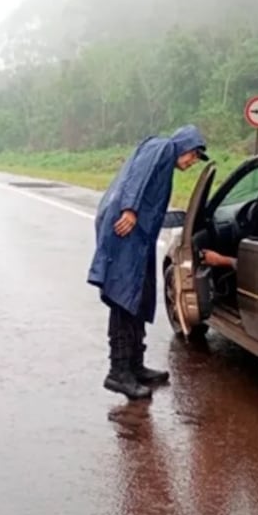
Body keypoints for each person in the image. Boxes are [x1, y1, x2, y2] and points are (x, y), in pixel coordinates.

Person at [88, 124, 209, 401]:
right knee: (123, 298)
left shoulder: (165, 162)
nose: (192, 162)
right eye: (193, 155)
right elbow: (137, 176)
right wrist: (130, 209)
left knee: (139, 299)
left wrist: (183, 218)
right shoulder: (162, 147)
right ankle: (118, 372)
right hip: (124, 231)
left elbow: (152, 210)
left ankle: (135, 365)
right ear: (184, 146)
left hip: (136, 237)